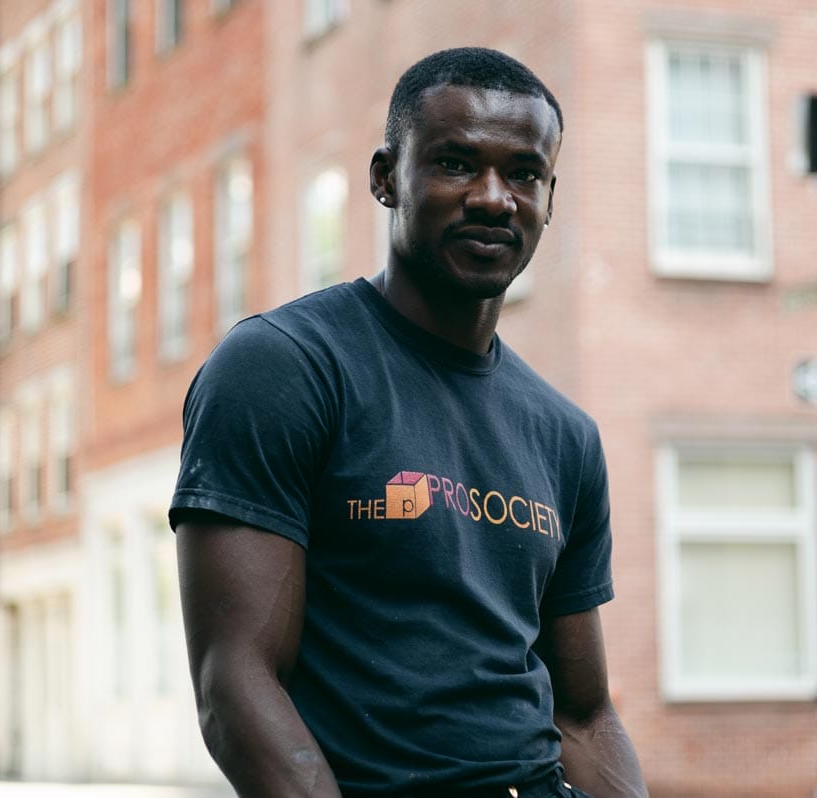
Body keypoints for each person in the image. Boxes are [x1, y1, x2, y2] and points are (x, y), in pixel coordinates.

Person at [171, 47, 647, 798]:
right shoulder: (283, 368)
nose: (494, 197)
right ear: (385, 178)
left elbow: (585, 715)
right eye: (457, 163)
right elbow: (236, 679)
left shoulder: (566, 436)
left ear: (549, 198)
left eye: (524, 173)